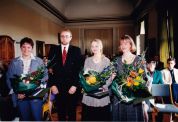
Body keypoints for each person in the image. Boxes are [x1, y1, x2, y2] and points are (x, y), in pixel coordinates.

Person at [6, 37, 48, 121]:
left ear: (32, 48)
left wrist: (40, 91)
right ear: (21, 48)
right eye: (24, 47)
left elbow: (45, 77)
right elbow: (9, 78)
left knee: (37, 118)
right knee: (24, 118)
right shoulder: (14, 62)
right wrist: (17, 93)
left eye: (28, 47)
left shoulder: (39, 61)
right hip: (21, 96)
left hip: (36, 95)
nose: (26, 49)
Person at [48, 28, 82, 121]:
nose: (64, 38)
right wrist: (52, 85)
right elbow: (49, 69)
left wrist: (75, 85)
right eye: (62, 36)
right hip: (58, 86)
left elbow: (79, 70)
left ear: (70, 38)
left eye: (66, 36)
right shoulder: (53, 49)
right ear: (60, 37)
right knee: (61, 111)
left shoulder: (76, 50)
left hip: (72, 86)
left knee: (71, 112)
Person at [111, 35, 147, 121]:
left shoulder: (138, 60)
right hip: (119, 96)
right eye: (121, 44)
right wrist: (112, 78)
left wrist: (134, 82)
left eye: (126, 43)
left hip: (133, 96)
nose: (123, 46)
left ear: (131, 45)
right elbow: (113, 78)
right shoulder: (116, 60)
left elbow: (144, 78)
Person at [81, 39, 114, 121]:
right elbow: (86, 76)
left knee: (101, 118)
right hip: (89, 94)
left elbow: (109, 77)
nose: (94, 48)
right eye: (92, 46)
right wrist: (90, 86)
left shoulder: (106, 61)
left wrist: (104, 85)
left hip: (102, 93)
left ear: (101, 47)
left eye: (96, 46)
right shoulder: (87, 60)